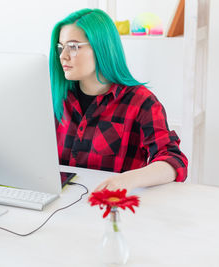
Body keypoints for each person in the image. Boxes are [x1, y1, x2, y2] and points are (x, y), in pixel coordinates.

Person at [49, 8, 188, 193]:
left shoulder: (142, 103)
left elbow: (174, 161)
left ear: (101, 48)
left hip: (112, 210)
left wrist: (130, 179)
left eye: (73, 47)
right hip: (58, 207)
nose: (63, 56)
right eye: (61, 47)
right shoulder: (57, 98)